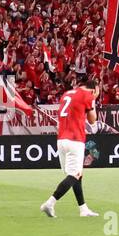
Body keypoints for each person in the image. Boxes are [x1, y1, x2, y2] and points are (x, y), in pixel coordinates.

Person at [39, 76, 100, 219]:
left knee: (77, 175)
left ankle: (83, 209)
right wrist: (94, 100)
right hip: (75, 139)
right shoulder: (87, 95)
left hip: (61, 139)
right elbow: (93, 120)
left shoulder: (67, 94)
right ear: (94, 89)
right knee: (74, 175)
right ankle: (50, 203)